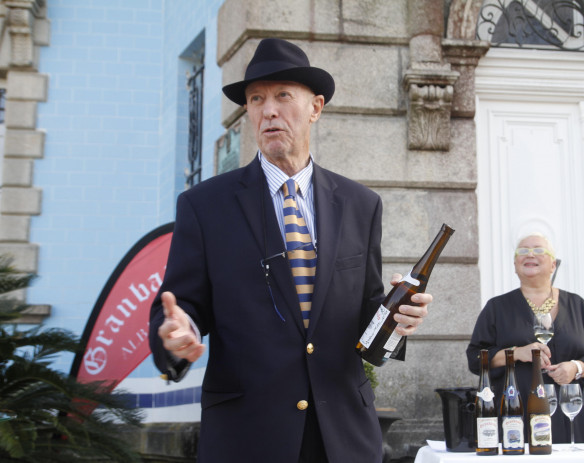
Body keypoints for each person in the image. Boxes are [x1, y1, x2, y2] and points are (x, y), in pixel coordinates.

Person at [148, 38, 432, 463]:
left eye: (283, 95)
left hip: (343, 437)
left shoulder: (361, 205)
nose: (268, 110)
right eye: (256, 99)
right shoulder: (205, 205)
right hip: (248, 436)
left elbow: (366, 314)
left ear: (315, 107)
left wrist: (395, 320)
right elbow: (181, 305)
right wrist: (175, 336)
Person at [466, 232, 584, 444]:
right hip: (516, 415)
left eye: (538, 250)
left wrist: (576, 367)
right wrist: (515, 353)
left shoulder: (578, 306)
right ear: (515, 265)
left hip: (571, 415)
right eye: (523, 251)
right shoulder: (497, 308)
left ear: (553, 264)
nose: (529, 254)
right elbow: (475, 359)